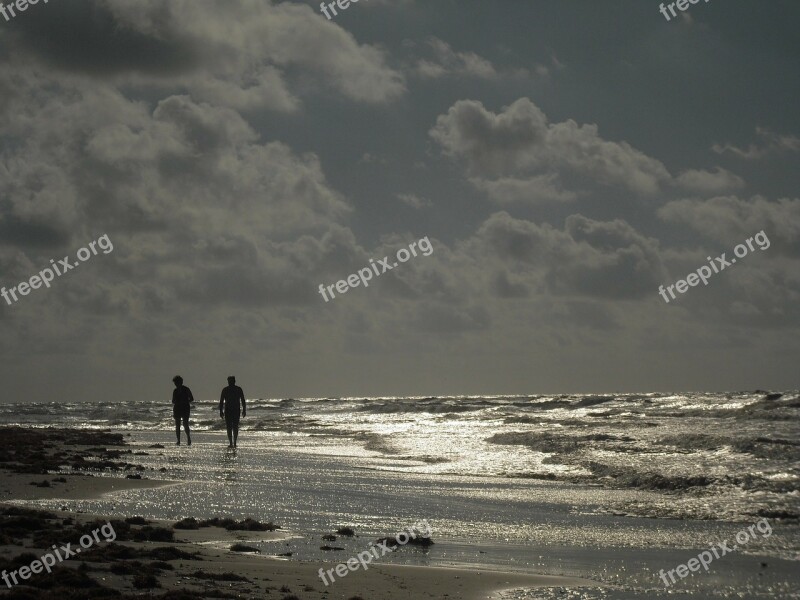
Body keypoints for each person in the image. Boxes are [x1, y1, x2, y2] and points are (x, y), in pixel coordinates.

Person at [219, 376, 246, 448]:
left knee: (235, 426)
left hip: (236, 410)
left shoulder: (238, 389)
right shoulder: (225, 390)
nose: (230, 382)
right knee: (229, 427)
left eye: (231, 381)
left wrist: (244, 410)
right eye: (229, 381)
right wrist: (221, 411)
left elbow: (243, 400)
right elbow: (221, 401)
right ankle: (231, 442)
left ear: (234, 381)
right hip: (228, 410)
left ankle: (234, 442)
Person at [171, 375, 194, 446]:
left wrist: (185, 402)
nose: (176, 384)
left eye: (176, 382)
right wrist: (177, 402)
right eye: (175, 383)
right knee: (177, 425)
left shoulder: (186, 389)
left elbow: (192, 398)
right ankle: (178, 440)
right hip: (177, 408)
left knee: (185, 424)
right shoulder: (175, 391)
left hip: (185, 408)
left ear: (181, 382)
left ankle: (189, 438)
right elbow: (173, 401)